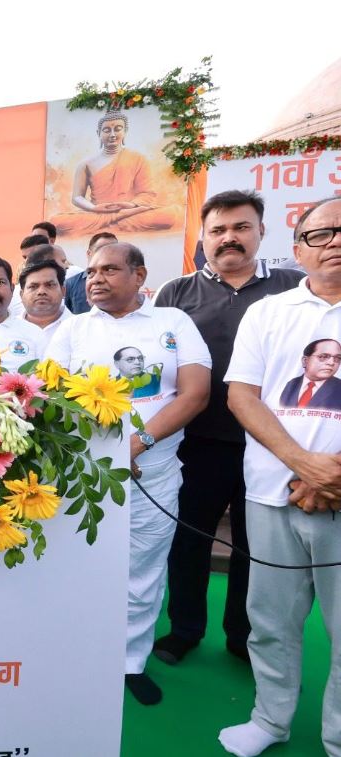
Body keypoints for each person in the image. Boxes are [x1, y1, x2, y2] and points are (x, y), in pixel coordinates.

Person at [45, 242, 211, 706]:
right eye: (91, 271)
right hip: (86, 475)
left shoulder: (172, 322)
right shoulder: (73, 328)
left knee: (142, 572)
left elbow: (195, 393)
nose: (96, 279)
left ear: (139, 275)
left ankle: (130, 662)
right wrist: (107, 452)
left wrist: (135, 445)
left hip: (153, 473)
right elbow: (49, 398)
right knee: (82, 569)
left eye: (110, 270)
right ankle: (80, 656)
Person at [153, 189, 305, 668]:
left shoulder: (292, 287)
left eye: (241, 227)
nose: (229, 238)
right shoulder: (175, 294)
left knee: (253, 545)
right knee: (189, 539)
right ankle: (184, 629)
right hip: (196, 443)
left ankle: (242, 634)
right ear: (204, 237)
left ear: (262, 232)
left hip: (270, 444)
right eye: (218, 230)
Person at [220, 196, 341, 757]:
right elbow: (242, 395)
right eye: (320, 234)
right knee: (269, 620)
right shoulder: (268, 312)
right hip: (272, 495)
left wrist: (331, 475)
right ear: (297, 249)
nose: (334, 242)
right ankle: (270, 720)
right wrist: (305, 463)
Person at [50, 111, 183, 236]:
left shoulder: (138, 159)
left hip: (129, 211)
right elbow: (77, 197)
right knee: (56, 222)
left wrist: (131, 205)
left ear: (125, 131)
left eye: (118, 129)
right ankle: (116, 221)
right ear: (98, 133)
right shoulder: (86, 164)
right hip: (98, 213)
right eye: (107, 130)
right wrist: (94, 208)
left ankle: (107, 224)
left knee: (170, 215)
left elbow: (147, 193)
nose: (112, 134)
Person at [277, 339, 341, 410]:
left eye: (338, 358)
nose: (331, 363)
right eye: (323, 356)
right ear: (305, 361)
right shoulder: (291, 384)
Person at [19, 255, 70, 340]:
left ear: (63, 291)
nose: (41, 292)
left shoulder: (82, 328)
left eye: (49, 285)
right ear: (21, 294)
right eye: (33, 286)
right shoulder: (8, 329)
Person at [65, 231, 118, 314]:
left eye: (113, 250)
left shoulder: (124, 282)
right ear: (89, 253)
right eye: (101, 250)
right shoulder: (71, 284)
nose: (107, 254)